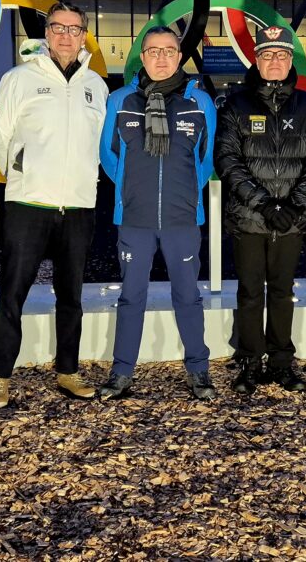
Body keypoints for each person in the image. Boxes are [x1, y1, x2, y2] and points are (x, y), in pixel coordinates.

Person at [0, 1, 109, 409]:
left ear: (84, 36)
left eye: (74, 29)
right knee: (12, 293)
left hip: (78, 206)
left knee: (71, 296)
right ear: (46, 32)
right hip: (28, 203)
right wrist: (19, 177)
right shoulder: (19, 78)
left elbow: (100, 145)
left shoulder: (97, 85)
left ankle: (68, 371)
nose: (66, 35)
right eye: (58, 27)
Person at [97, 26, 217, 400]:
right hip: (135, 218)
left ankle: (198, 370)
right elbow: (108, 155)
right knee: (131, 296)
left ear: (179, 57)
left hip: (183, 219)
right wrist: (132, 188)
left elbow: (206, 159)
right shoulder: (121, 100)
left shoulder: (200, 102)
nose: (161, 58)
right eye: (153, 51)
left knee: (188, 296)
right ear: (142, 57)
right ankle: (121, 372)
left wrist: (185, 193)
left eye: (169, 51)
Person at [214, 25, 306, 395]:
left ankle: (281, 362)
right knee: (250, 292)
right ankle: (249, 361)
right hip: (250, 218)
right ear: (256, 60)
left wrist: (294, 204)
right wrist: (264, 203)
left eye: (281, 54)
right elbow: (228, 160)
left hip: (291, 220)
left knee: (282, 291)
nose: (275, 61)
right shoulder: (235, 105)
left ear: (291, 60)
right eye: (267, 54)